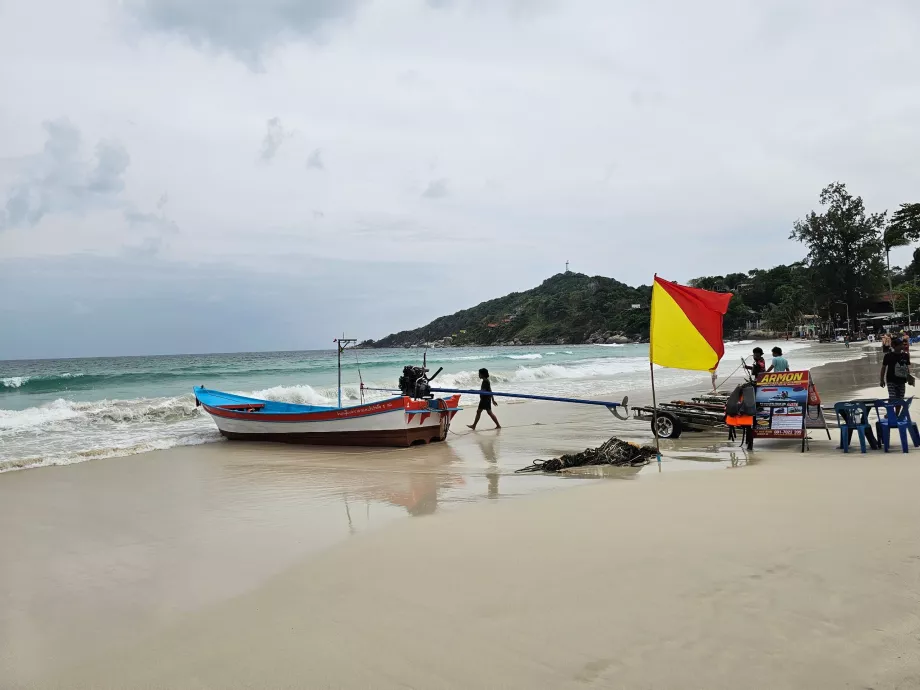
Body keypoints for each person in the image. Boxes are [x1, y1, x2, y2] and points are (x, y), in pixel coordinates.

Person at [880, 338, 913, 404]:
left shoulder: (905, 356)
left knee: (900, 399)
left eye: (902, 345)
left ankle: (896, 414)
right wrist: (882, 380)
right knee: (892, 398)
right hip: (891, 380)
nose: (902, 346)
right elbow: (883, 368)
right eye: (900, 345)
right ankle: (890, 413)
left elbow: (907, 367)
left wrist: (910, 379)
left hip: (902, 381)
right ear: (894, 346)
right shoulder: (888, 356)